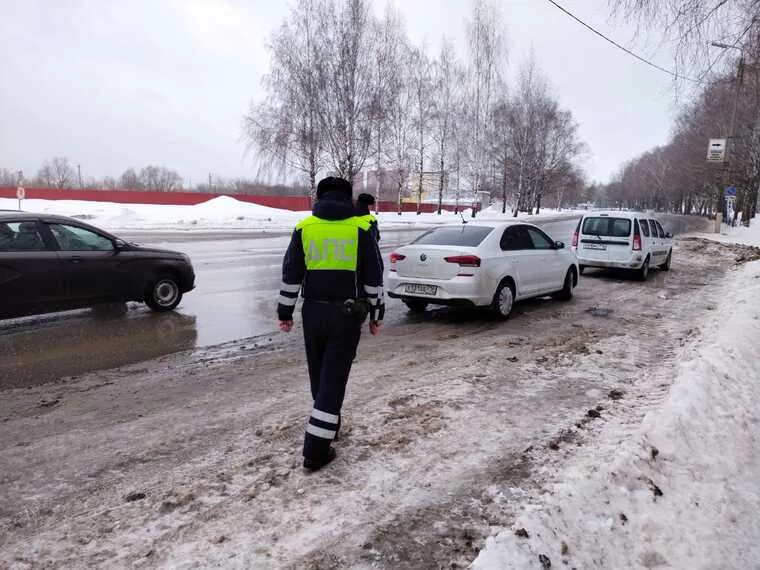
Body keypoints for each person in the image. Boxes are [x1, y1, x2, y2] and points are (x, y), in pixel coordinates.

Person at [277, 176, 385, 471]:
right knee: (333, 380)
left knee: (320, 376)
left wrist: (285, 312)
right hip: (347, 315)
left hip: (312, 313)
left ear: (320, 197)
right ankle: (315, 450)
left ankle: (329, 426)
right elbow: (374, 279)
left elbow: (291, 275)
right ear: (347, 198)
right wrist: (377, 314)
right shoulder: (362, 229)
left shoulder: (304, 228)